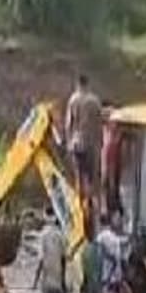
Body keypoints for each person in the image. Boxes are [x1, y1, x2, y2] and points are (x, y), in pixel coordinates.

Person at [65, 74, 103, 204]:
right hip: (92, 144)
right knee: (93, 177)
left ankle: (80, 205)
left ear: (78, 84)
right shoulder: (94, 101)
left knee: (79, 176)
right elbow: (100, 122)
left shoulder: (73, 100)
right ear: (87, 84)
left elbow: (68, 124)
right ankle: (93, 205)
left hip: (77, 143)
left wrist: (69, 141)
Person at [36, 209, 68, 293]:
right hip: (58, 278)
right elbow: (64, 258)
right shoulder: (60, 234)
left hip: (47, 278)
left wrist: (35, 280)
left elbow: (41, 259)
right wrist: (63, 280)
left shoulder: (43, 235)